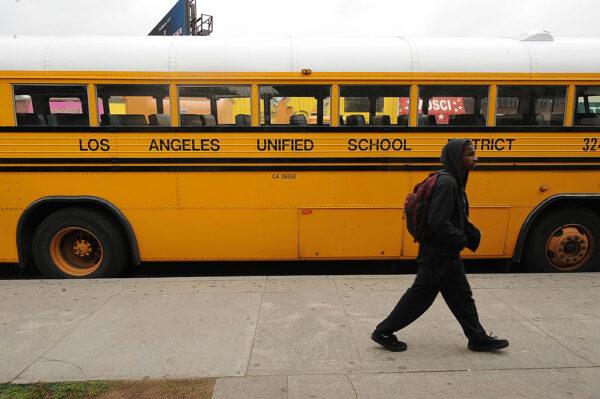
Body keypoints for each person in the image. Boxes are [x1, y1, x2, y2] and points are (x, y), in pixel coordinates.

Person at [371, 138, 509, 352]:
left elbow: (452, 216)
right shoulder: (448, 183)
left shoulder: (453, 179)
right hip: (438, 252)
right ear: (456, 157)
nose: (475, 158)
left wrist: (467, 232)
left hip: (444, 251)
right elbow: (438, 221)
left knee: (461, 296)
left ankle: (477, 337)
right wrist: (460, 239)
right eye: (470, 154)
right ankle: (383, 331)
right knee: (420, 296)